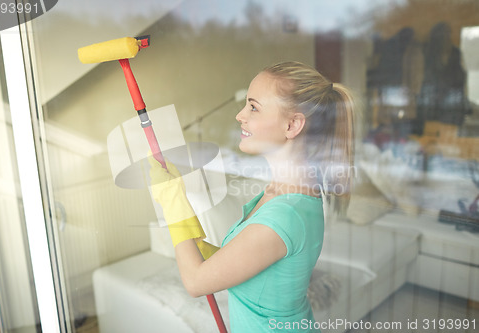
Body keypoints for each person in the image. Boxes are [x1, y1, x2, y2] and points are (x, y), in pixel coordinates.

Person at [148, 61, 355, 332]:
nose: (240, 115)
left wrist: (173, 203)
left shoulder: (284, 214)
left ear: (292, 125)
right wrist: (198, 241)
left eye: (253, 107)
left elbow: (195, 283)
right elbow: (242, 260)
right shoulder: (280, 193)